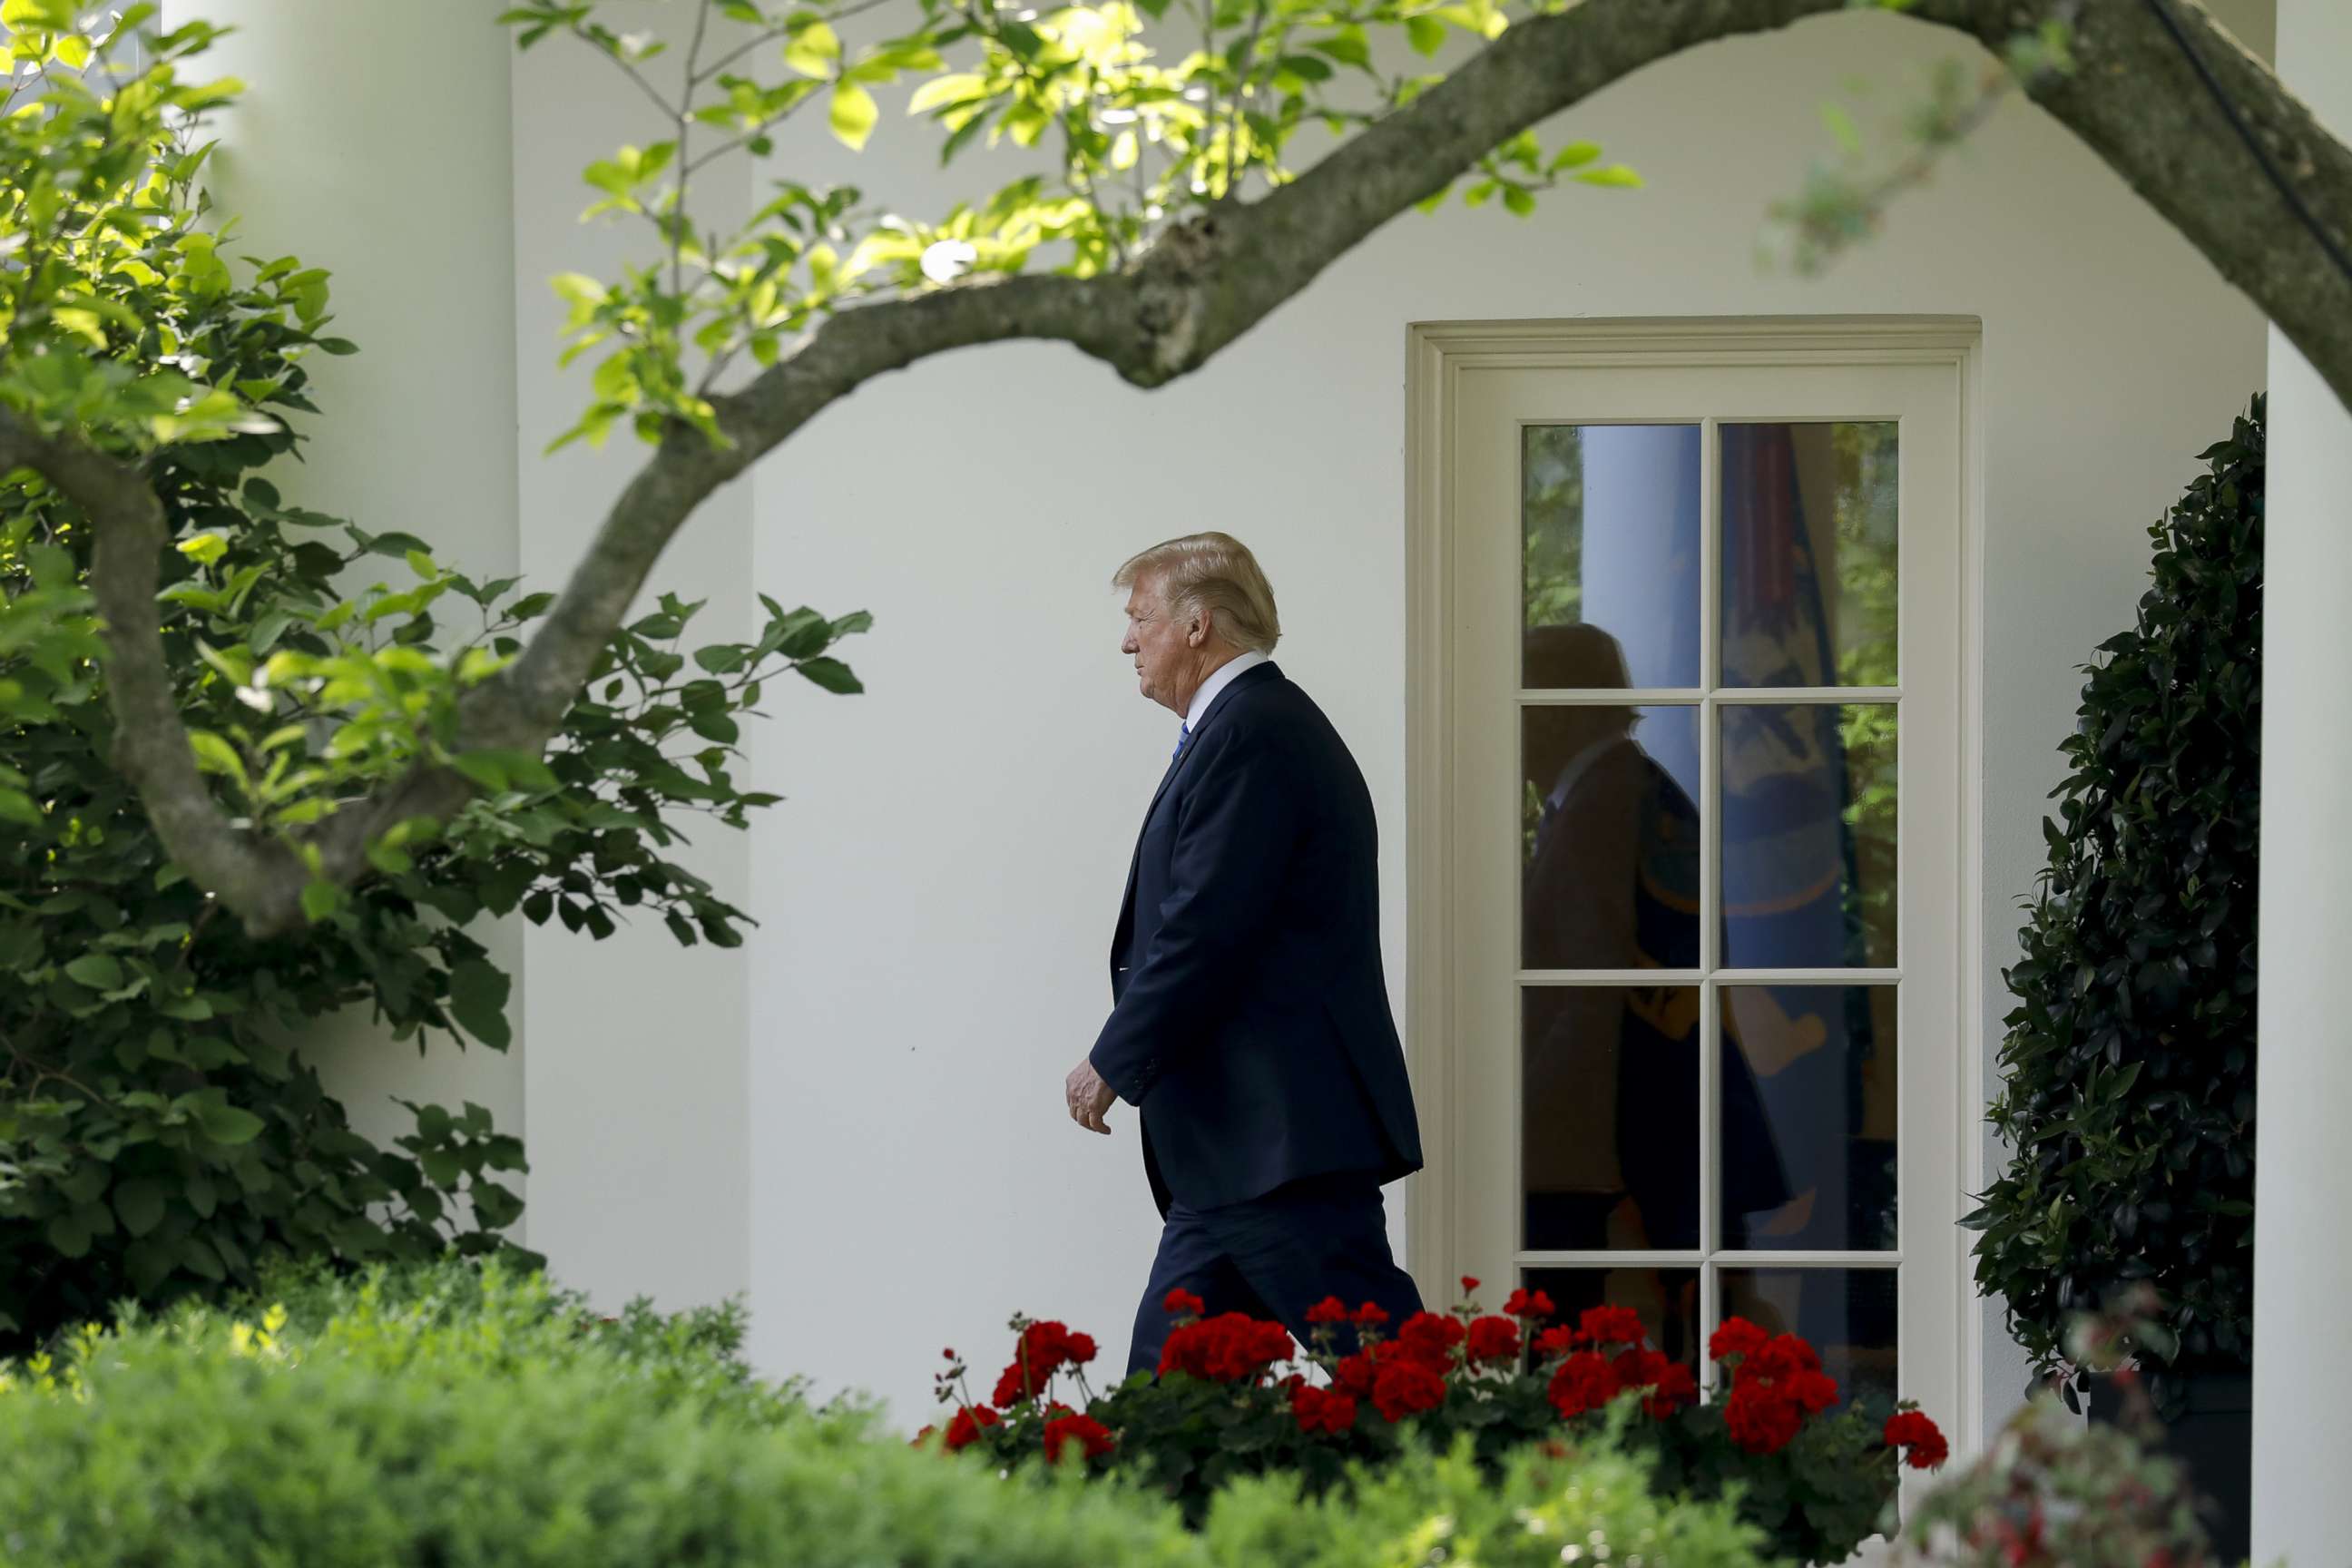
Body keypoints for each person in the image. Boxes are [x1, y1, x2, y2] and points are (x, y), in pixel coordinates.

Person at [1065, 532, 1424, 1377]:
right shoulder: (1243, 726)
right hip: (1241, 1152)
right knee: (1171, 1406)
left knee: (1409, 1388)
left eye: (1140, 617)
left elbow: (1205, 928)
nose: (1127, 640)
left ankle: (1537, 1500)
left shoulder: (1253, 731)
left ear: (1198, 625)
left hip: (1276, 1148)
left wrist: (1113, 1060)